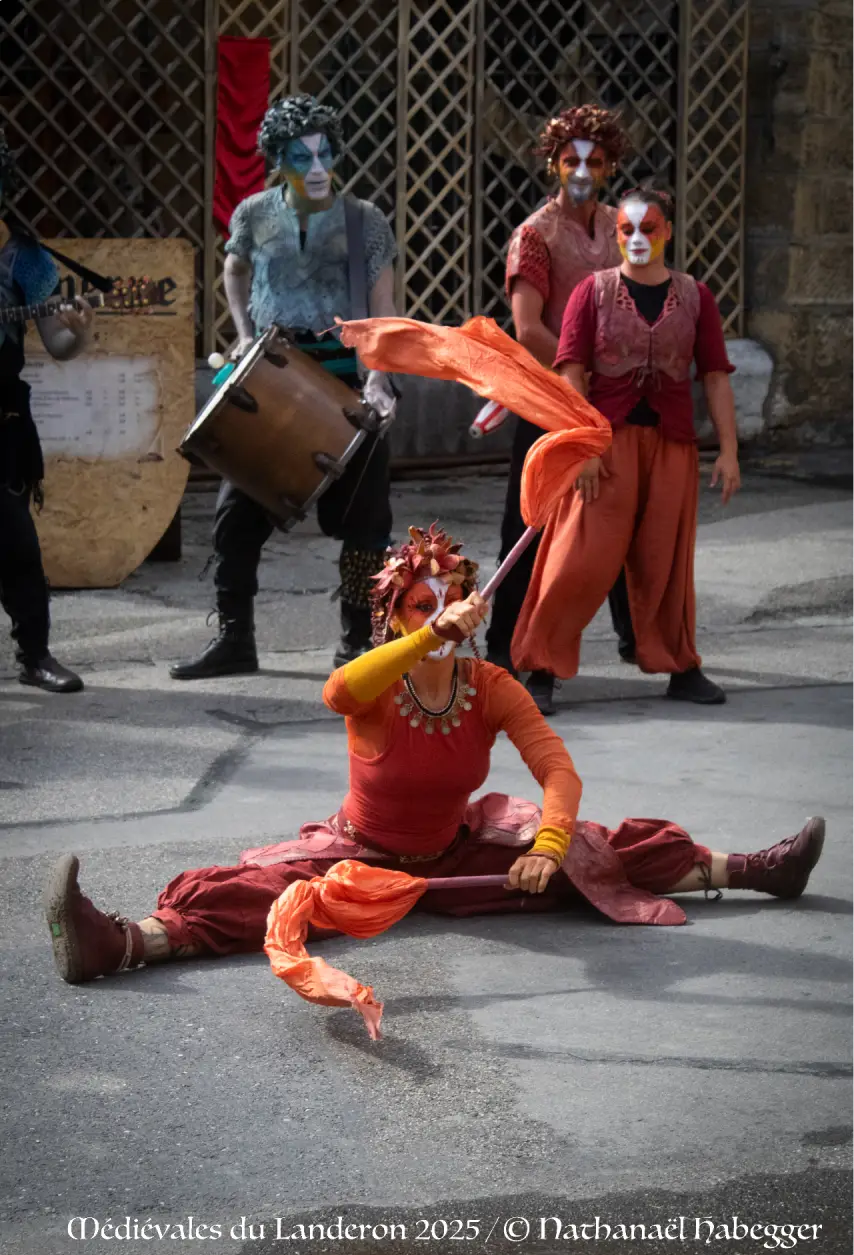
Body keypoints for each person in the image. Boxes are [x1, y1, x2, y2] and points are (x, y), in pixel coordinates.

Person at [44, 524, 824, 984]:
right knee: (262, 896)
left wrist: (548, 844)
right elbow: (337, 693)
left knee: (593, 852)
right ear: (394, 619)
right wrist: (425, 639)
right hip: (356, 852)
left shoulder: (488, 684)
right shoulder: (380, 681)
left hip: (455, 855)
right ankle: (119, 944)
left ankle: (753, 871)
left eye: (452, 600)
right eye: (423, 604)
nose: (443, 613)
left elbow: (558, 769)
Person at [170, 94, 399, 680]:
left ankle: (357, 640)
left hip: (345, 382)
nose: (317, 168)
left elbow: (384, 309)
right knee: (233, 520)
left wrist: (380, 379)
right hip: (276, 376)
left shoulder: (364, 221)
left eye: (325, 153)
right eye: (301, 157)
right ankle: (234, 638)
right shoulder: (252, 214)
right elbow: (234, 267)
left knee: (366, 525)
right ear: (278, 160)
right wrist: (243, 334)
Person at [511, 188, 741, 705]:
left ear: (668, 232)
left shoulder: (695, 296)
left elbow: (715, 378)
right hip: (606, 446)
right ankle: (542, 668)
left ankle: (680, 666)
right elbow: (570, 373)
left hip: (671, 446)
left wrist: (728, 450)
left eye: (649, 229)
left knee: (668, 560)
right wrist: (584, 447)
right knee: (579, 556)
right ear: (616, 236)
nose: (638, 240)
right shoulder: (590, 293)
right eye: (627, 231)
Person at [485, 104, 635, 715]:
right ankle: (506, 652)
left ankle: (642, 640)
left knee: (624, 516)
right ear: (552, 163)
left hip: (615, 397)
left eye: (593, 161)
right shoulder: (535, 234)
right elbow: (528, 329)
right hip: (550, 395)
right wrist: (589, 370)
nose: (580, 169)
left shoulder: (623, 225)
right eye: (570, 159)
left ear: (608, 168)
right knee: (534, 521)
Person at [0, 129, 92, 693]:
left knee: (16, 545)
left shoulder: (26, 259)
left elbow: (57, 345)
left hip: (3, 423)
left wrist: (80, 332)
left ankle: (34, 655)